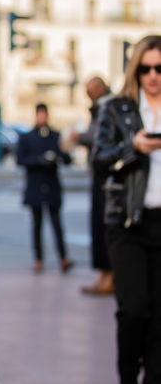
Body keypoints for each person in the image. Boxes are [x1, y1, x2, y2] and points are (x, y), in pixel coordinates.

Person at [92, 35, 161, 384]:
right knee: (133, 310)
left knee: (159, 319)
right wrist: (132, 148)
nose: (153, 76)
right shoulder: (117, 109)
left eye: (160, 69)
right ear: (136, 69)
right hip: (128, 225)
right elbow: (100, 159)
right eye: (146, 68)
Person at [17, 103, 73, 272]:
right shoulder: (27, 137)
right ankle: (38, 259)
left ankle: (63, 257)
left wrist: (57, 157)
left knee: (56, 223)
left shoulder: (55, 136)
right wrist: (39, 160)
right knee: (37, 224)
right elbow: (21, 160)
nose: (42, 118)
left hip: (52, 185)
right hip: (35, 185)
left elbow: (67, 158)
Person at [74, 76, 114, 295]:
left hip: (106, 175)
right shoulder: (100, 107)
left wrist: (78, 136)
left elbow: (98, 137)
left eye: (90, 90)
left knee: (104, 225)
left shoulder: (108, 107)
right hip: (99, 172)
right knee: (97, 226)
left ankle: (109, 274)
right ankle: (103, 274)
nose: (88, 94)